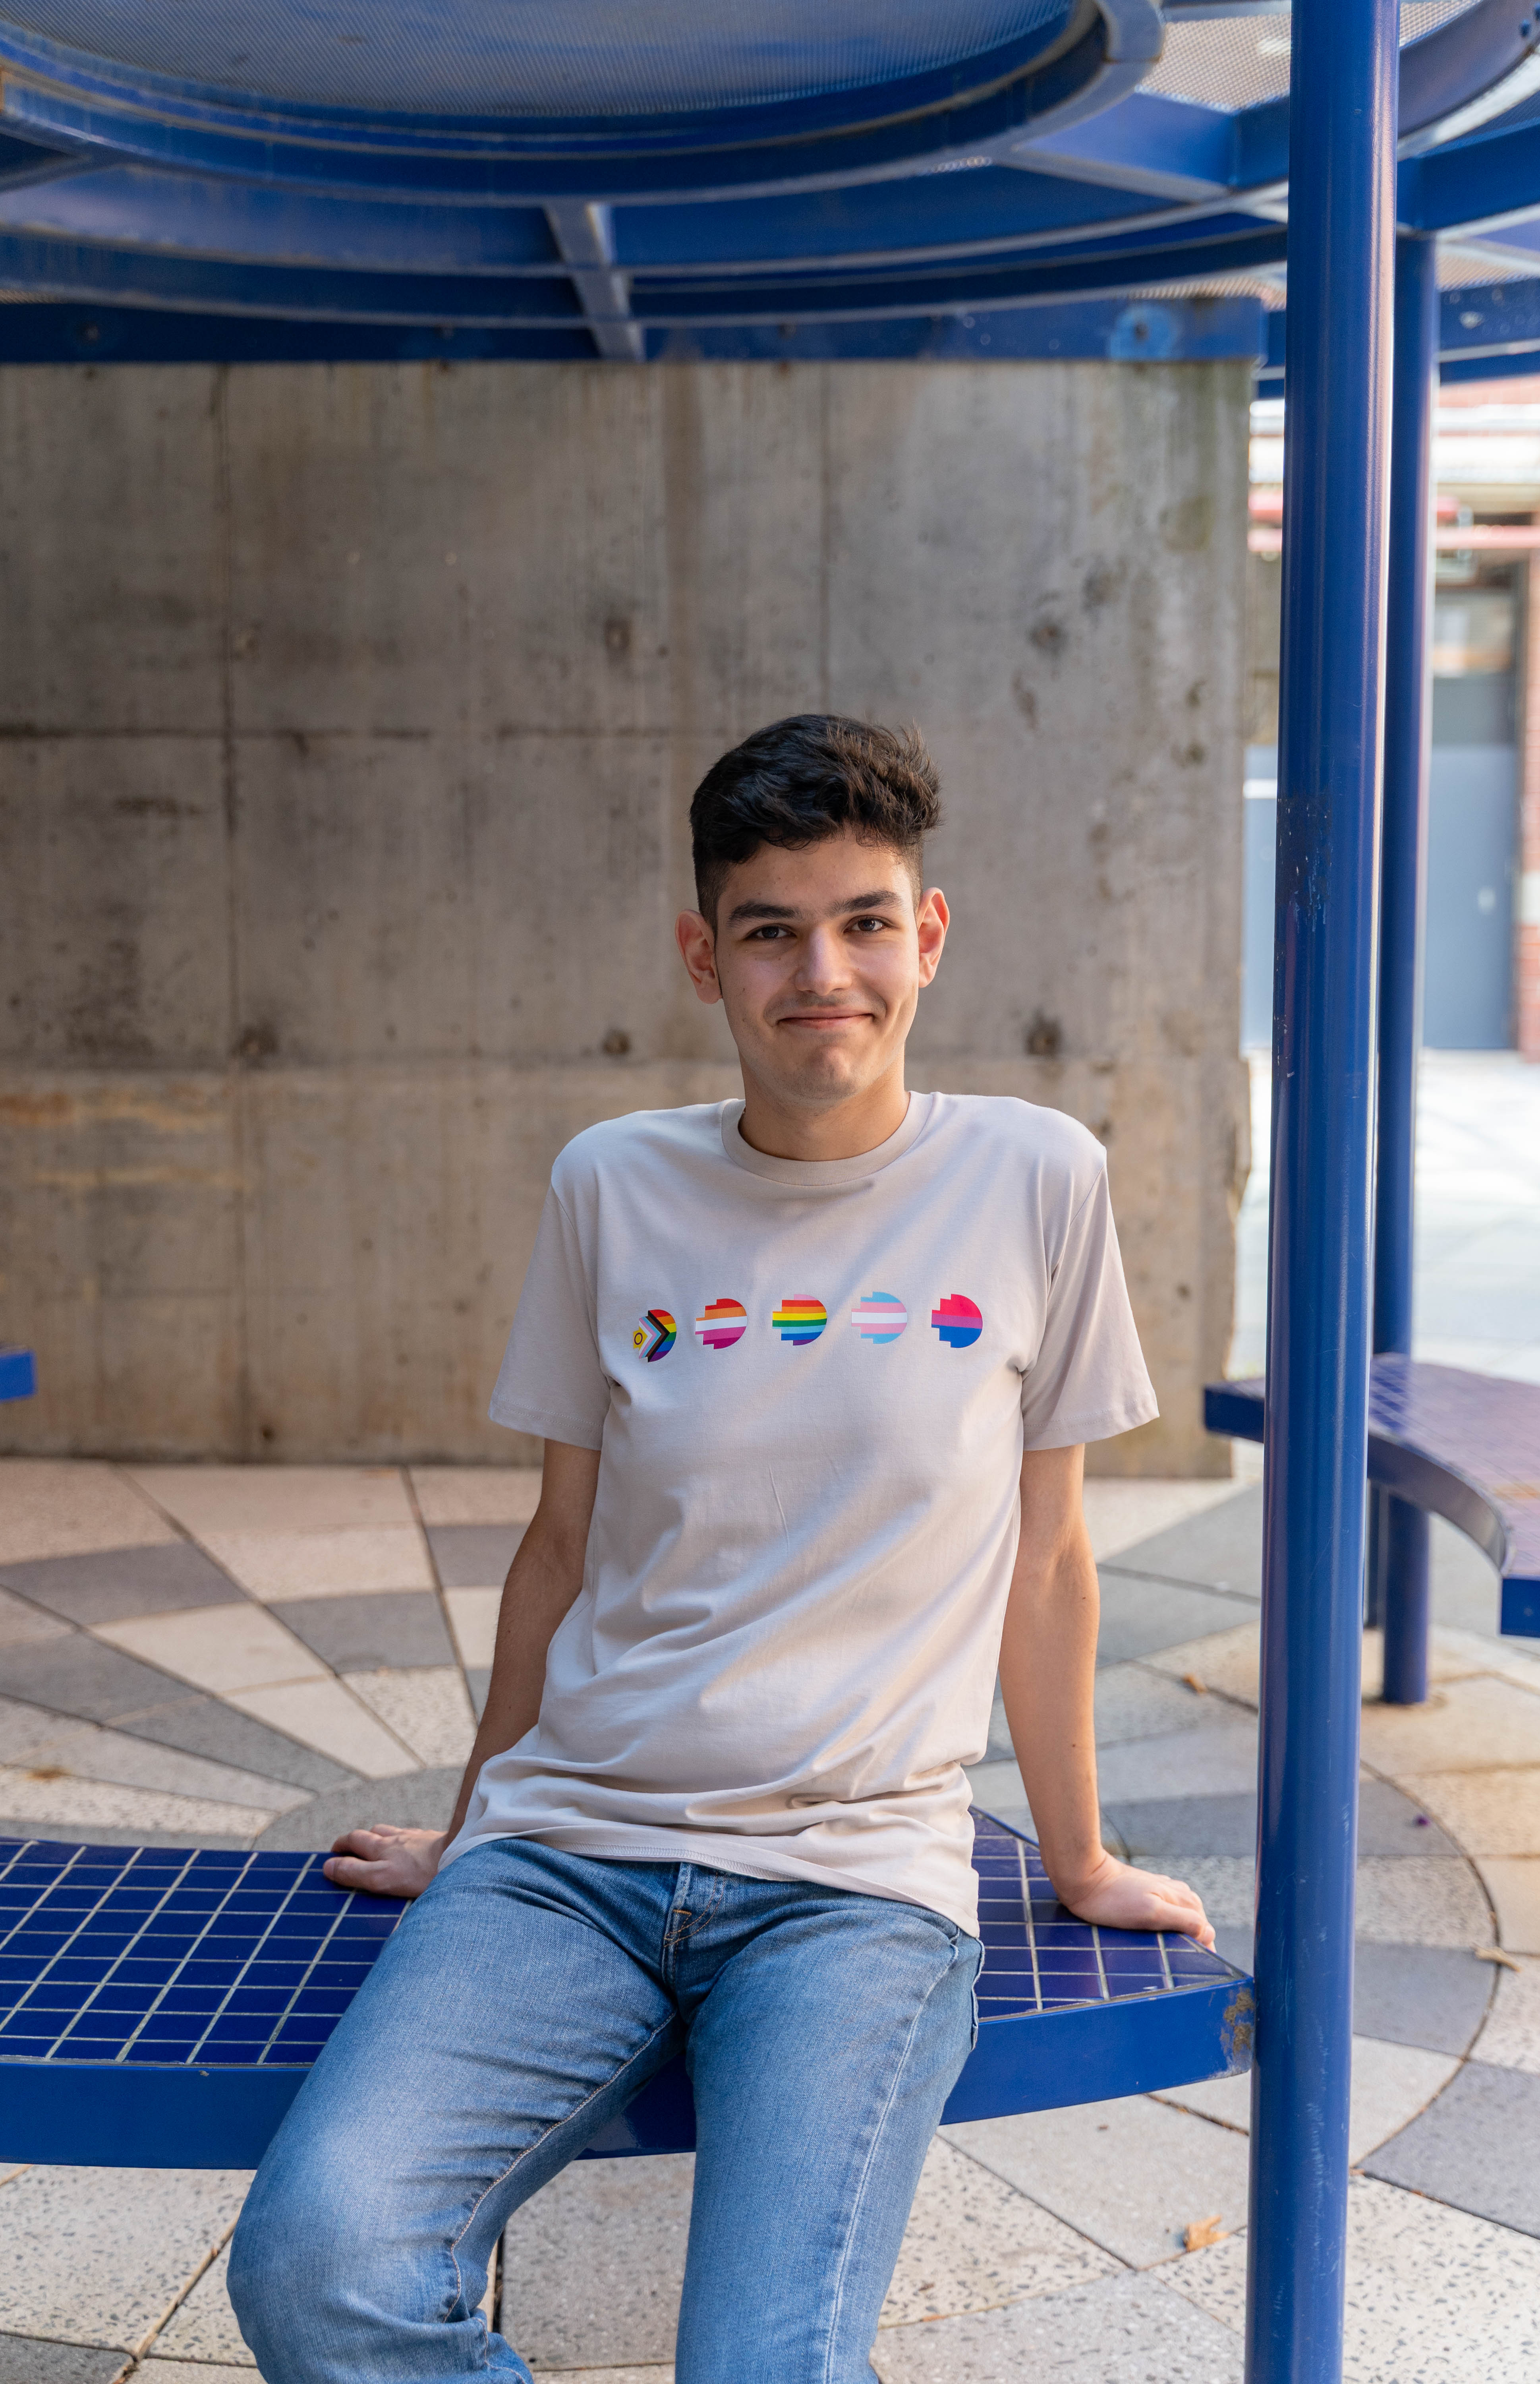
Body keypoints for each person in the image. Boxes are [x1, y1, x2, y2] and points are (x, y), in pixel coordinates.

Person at [230, 714, 1213, 2384]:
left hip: (857, 1891)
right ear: (705, 957)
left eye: (864, 923)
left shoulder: (1036, 1179)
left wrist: (1077, 1858)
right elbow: (559, 1549)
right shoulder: (611, 1185)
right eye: (771, 931)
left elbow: (1048, 1560)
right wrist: (472, 1828)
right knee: (320, 2269)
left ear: (928, 934)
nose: (822, 974)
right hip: (567, 1862)